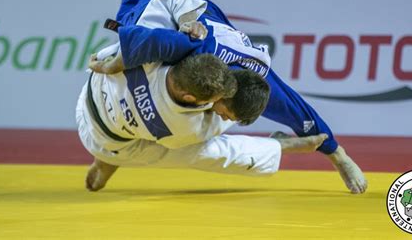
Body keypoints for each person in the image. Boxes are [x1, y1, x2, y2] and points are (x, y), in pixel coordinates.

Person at [90, 0, 367, 194]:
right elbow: (150, 40)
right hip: (173, 14)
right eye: (224, 113)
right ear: (224, 93)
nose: (221, 115)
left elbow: (303, 114)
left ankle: (112, 152)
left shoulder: (262, 81)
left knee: (184, 126)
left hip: (224, 43)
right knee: (134, 8)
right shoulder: (192, 48)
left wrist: (338, 155)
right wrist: (116, 63)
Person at [78, 45, 328, 191]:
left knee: (140, 131)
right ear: (188, 97)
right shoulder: (180, 127)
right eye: (215, 101)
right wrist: (246, 103)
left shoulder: (153, 49)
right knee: (206, 151)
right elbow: (225, 116)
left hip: (92, 88)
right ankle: (277, 146)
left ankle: (106, 157)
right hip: (110, 142)